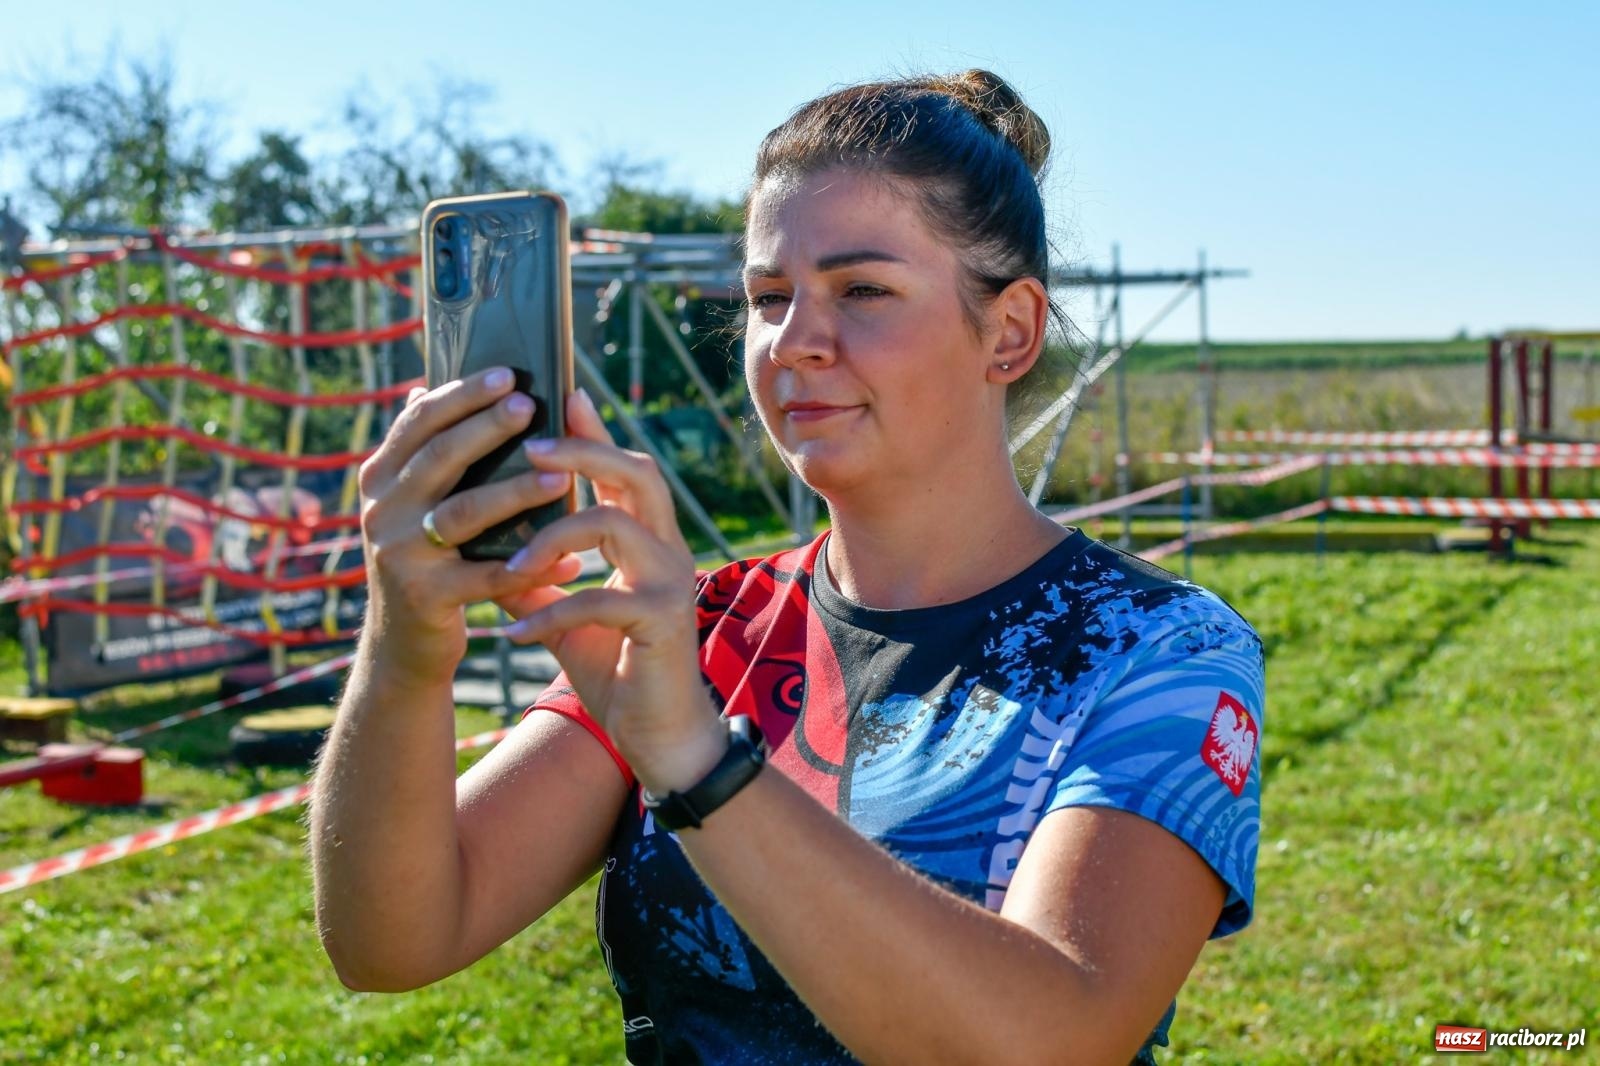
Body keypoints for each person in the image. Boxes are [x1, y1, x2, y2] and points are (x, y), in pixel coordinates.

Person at [310, 69, 1264, 1066]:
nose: (794, 341)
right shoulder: (702, 629)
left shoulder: (1156, 650)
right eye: (769, 296)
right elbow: (392, 941)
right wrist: (405, 648)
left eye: (862, 290)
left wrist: (696, 762)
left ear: (1011, 329)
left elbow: (1054, 1041)